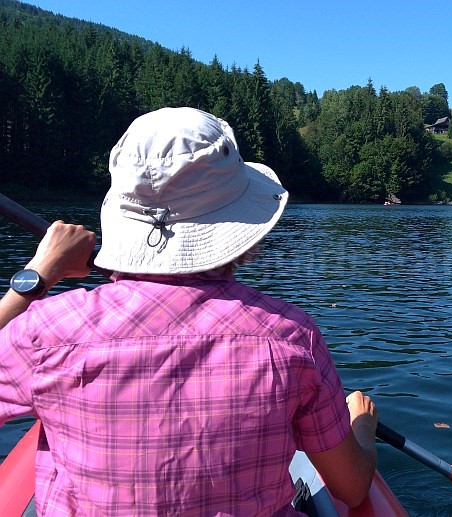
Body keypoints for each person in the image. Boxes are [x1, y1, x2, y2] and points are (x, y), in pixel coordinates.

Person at [0, 107, 378, 515]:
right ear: (243, 230)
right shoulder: (291, 335)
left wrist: (36, 276)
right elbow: (352, 488)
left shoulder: (45, 331)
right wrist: (362, 427)